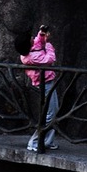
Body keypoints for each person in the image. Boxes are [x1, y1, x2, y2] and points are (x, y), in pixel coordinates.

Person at [14, 24, 59, 152]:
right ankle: (34, 142)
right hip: (46, 83)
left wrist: (42, 34)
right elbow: (49, 59)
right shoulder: (32, 57)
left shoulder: (29, 51)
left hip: (48, 81)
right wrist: (48, 44)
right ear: (28, 45)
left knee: (53, 111)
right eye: (31, 38)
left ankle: (47, 141)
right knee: (51, 113)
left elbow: (37, 44)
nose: (33, 38)